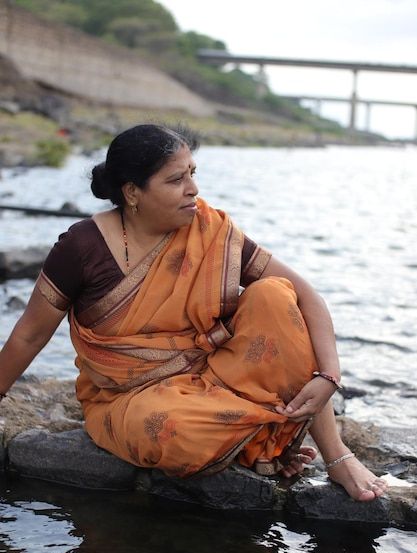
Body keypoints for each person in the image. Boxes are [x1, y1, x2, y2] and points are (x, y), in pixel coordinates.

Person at [0, 124, 387, 502]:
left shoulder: (208, 228)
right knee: (169, 430)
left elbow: (307, 298)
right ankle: (269, 441)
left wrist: (329, 376)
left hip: (216, 375)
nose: (193, 189)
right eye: (175, 180)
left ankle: (334, 456)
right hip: (132, 397)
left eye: (193, 174)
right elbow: (30, 335)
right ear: (132, 192)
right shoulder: (83, 247)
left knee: (273, 296)